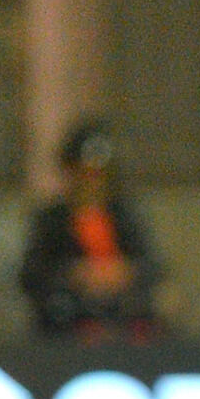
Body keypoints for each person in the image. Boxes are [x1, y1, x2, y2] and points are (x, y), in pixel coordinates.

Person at [20, 121, 166, 341]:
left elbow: (152, 265)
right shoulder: (52, 220)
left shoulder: (123, 215)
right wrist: (76, 274)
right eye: (84, 174)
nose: (92, 182)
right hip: (69, 320)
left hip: (121, 316)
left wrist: (123, 272)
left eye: (98, 174)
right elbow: (31, 275)